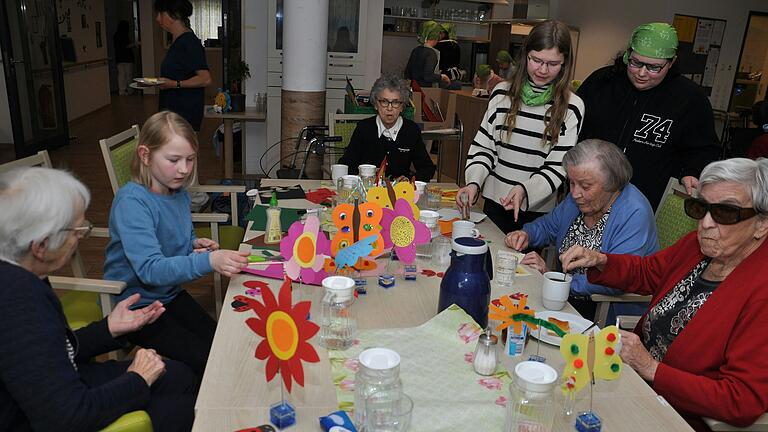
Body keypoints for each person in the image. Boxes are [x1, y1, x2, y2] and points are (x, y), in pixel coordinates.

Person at [560, 158, 768, 430]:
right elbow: (647, 272)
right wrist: (600, 259)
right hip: (632, 380)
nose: (705, 224)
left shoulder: (761, 291)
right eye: (700, 208)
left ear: (762, 224)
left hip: (677, 415)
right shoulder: (697, 247)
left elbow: (740, 400)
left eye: (725, 213)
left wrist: (651, 368)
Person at [0, 167, 197, 432]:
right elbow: (67, 417)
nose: (80, 237)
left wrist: (107, 329)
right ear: (41, 246)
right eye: (76, 230)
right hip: (42, 417)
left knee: (180, 374)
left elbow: (49, 354)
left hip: (61, 385)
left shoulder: (25, 268)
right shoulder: (19, 303)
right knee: (184, 410)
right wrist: (137, 379)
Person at [104, 111, 249, 378]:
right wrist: (207, 260)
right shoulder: (132, 203)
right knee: (206, 361)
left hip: (168, 295)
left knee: (220, 344)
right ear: (145, 155)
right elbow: (150, 269)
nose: (184, 169)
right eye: (174, 160)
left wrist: (191, 243)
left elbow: (168, 237)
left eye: (190, 159)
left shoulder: (176, 190)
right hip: (137, 307)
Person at [505, 139, 659, 320]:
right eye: (571, 183)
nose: (575, 193)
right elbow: (548, 226)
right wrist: (526, 234)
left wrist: (555, 280)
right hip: (564, 298)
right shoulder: (578, 199)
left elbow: (617, 280)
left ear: (612, 184)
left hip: (606, 311)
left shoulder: (634, 212)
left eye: (585, 186)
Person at [456, 20, 584, 234]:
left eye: (553, 64)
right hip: (494, 203)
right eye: (536, 60)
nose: (543, 70)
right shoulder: (501, 93)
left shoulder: (572, 106)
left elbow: (559, 165)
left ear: (565, 63)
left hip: (536, 212)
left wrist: (525, 189)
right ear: (526, 56)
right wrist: (474, 183)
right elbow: (484, 147)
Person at [577, 22, 720, 210]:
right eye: (635, 62)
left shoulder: (689, 99)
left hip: (645, 204)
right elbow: (572, 127)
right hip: (588, 195)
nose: (642, 73)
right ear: (628, 54)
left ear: (671, 62)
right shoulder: (602, 82)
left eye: (654, 67)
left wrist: (692, 171)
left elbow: (704, 149)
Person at [338, 74, 436, 181]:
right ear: (375, 104)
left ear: (402, 106)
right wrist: (362, 177)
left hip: (399, 192)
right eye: (384, 102)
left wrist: (408, 179)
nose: (389, 108)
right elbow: (346, 164)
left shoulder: (411, 130)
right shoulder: (364, 128)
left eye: (395, 102)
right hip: (368, 191)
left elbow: (427, 169)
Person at [154, 0, 212, 131]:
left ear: (173, 15)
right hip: (173, 112)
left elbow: (205, 79)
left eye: (160, 13)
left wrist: (174, 84)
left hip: (183, 115)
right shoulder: (177, 41)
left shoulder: (189, 42)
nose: (157, 18)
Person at [404, 20, 451, 89]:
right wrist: (443, 77)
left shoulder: (416, 50)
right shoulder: (431, 53)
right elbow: (428, 77)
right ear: (436, 36)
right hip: (425, 91)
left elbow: (407, 74)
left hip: (414, 89)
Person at [113, 20, 139, 96]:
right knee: (128, 75)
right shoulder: (124, 35)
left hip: (119, 58)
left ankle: (122, 91)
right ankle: (129, 90)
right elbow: (126, 46)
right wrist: (135, 44)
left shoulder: (116, 35)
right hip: (127, 58)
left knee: (121, 75)